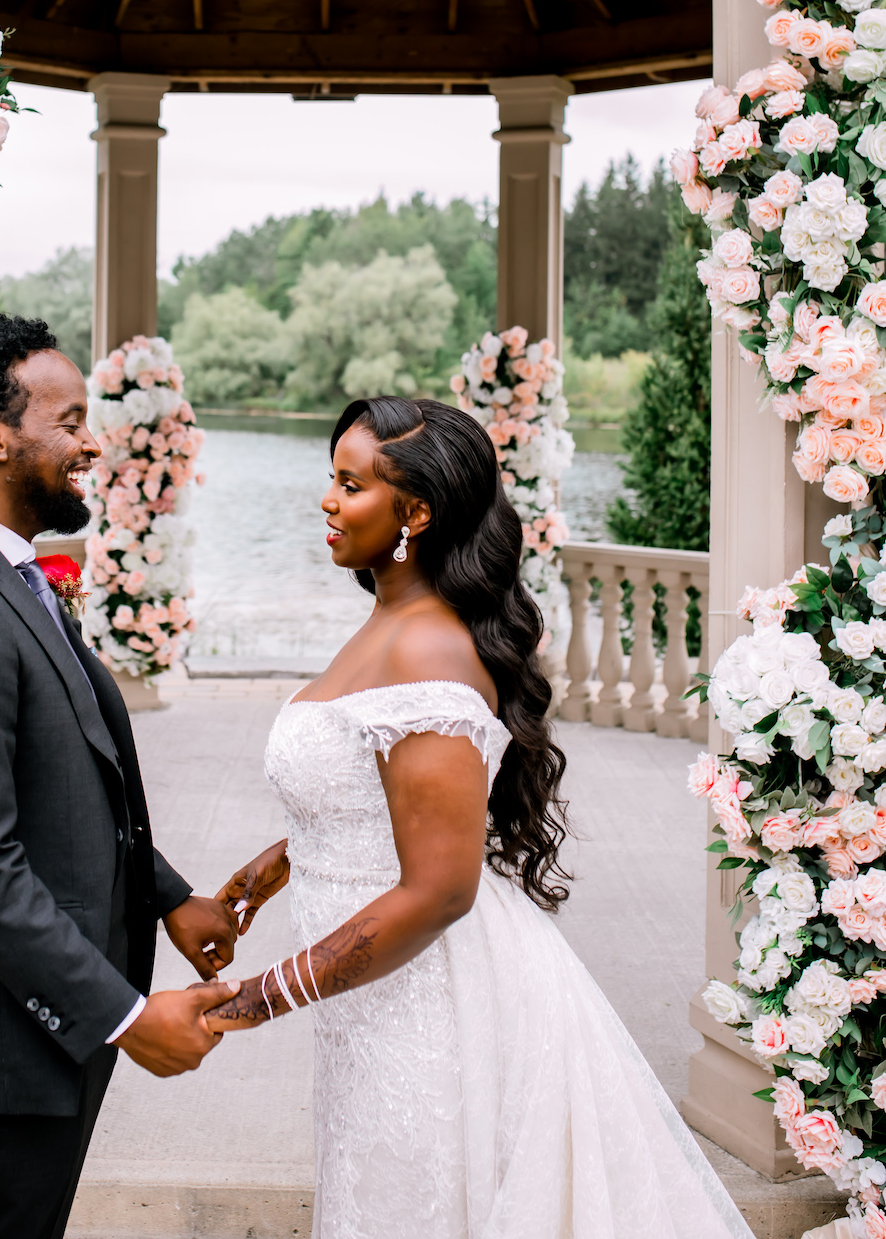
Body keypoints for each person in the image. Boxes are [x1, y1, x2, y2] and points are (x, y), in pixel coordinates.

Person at [209, 395, 754, 1239]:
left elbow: (440, 890)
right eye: (331, 479)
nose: (327, 500)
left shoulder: (427, 647)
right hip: (376, 999)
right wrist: (276, 864)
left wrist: (254, 999)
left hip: (431, 1002)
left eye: (350, 485)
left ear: (415, 512)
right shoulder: (390, 616)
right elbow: (376, 789)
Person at [0, 313, 238, 1239]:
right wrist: (122, 1016)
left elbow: (71, 775)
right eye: (70, 422)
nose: (92, 442)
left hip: (30, 1046)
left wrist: (166, 896)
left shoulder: (10, 576)